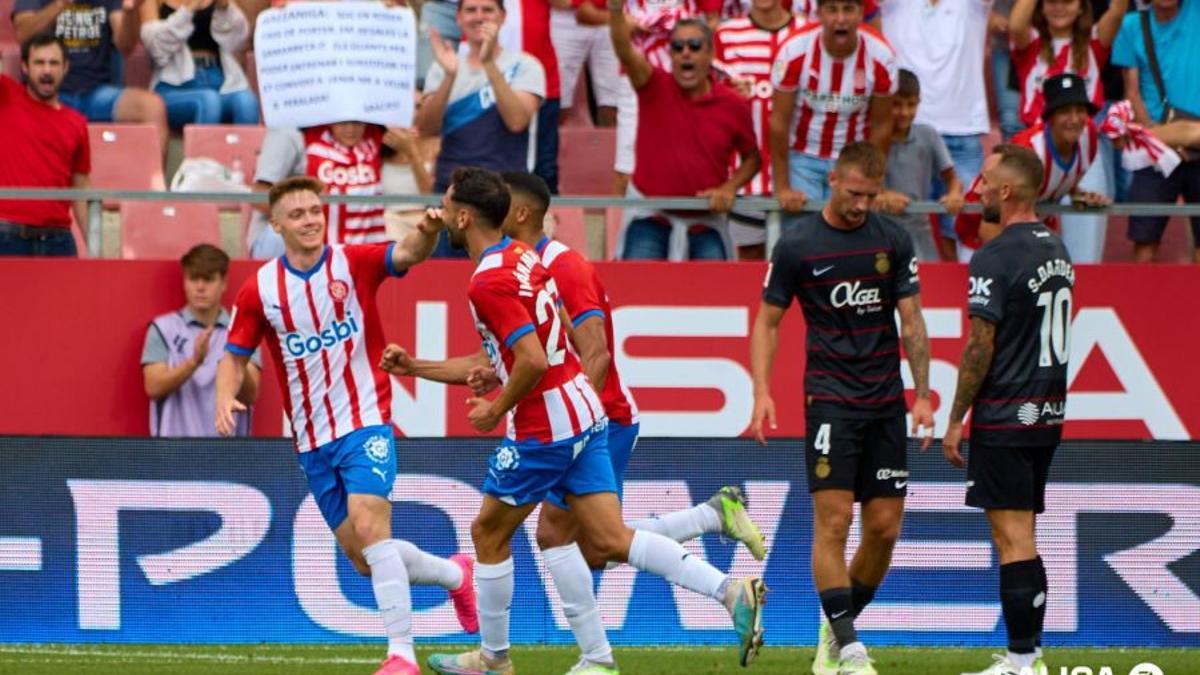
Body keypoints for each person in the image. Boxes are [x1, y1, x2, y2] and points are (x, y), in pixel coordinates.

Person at [382, 166, 766, 675]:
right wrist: (418, 367)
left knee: (488, 534)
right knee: (605, 538)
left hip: (546, 426)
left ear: (465, 215)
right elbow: (549, 338)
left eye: (448, 205)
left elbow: (534, 360)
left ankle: (494, 659)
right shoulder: (522, 258)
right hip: (583, 411)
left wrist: (496, 407)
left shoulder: (488, 281)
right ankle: (726, 590)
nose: (442, 213)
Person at [215, 176, 478, 675]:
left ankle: (401, 656)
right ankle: (455, 575)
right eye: (298, 214)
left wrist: (427, 229)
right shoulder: (261, 290)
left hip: (365, 420)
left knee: (369, 523)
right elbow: (235, 354)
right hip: (312, 440)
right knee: (364, 559)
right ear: (276, 225)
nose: (311, 219)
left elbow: (405, 253)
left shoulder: (351, 262)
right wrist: (226, 396)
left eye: (316, 210)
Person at [750, 142, 934, 675]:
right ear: (833, 181)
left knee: (883, 529)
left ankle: (834, 626)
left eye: (870, 196)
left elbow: (913, 320)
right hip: (830, 397)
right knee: (833, 522)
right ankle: (850, 648)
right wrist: (761, 389)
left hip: (885, 400)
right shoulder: (798, 244)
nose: (861, 205)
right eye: (854, 194)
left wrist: (921, 393)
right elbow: (767, 320)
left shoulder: (892, 240)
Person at [942, 144, 1074, 675]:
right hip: (1046, 413)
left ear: (1007, 192)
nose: (977, 189)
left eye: (986, 180)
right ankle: (1028, 653)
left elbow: (981, 345)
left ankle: (1024, 660)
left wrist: (957, 418)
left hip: (1006, 413)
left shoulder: (994, 255)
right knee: (1023, 534)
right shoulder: (1056, 249)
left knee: (1013, 538)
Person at [608, 11, 760, 260]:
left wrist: (729, 188)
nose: (685, 52)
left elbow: (752, 159)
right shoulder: (652, 85)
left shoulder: (733, 104)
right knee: (636, 294)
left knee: (719, 295)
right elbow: (624, 50)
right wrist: (614, 8)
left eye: (694, 46)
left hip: (706, 223)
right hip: (650, 218)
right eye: (677, 47)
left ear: (710, 53)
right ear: (671, 55)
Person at [416, 0, 546, 257]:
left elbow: (517, 120)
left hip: (505, 203)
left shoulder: (526, 65)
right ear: (459, 17)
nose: (479, 17)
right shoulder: (445, 65)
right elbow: (426, 128)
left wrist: (489, 63)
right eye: (471, 10)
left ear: (503, 16)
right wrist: (450, 77)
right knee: (446, 287)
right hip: (451, 199)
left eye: (487, 10)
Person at [954, 73, 1111, 257]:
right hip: (982, 236)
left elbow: (1064, 173)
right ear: (1049, 117)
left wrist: (1077, 193)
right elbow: (990, 223)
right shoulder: (1029, 153)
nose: (1075, 119)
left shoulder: (1089, 136)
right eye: (1065, 111)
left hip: (1031, 232)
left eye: (1080, 110)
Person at [881, 0, 990, 262]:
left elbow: (954, 184)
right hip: (895, 135)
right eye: (901, 104)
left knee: (968, 230)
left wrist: (954, 191)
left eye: (909, 104)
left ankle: (965, 298)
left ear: (915, 104)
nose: (906, 108)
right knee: (891, 223)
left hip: (963, 132)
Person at [769, 0, 897, 219]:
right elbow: (779, 121)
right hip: (801, 158)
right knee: (804, 236)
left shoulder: (881, 56)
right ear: (818, 13)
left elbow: (882, 126)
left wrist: (875, 181)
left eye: (848, 9)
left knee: (848, 234)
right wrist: (783, 187)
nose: (840, 19)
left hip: (853, 162)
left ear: (861, 13)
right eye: (832, 10)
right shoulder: (794, 50)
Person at [247, 122, 430, 258]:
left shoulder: (372, 134)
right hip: (286, 238)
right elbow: (259, 196)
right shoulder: (288, 133)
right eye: (343, 122)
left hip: (351, 242)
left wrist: (410, 146)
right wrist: (303, 215)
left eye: (356, 121)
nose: (351, 128)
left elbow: (430, 195)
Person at [12, 0, 170, 152]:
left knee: (152, 108)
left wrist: (130, 11)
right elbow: (23, 34)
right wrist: (61, 4)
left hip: (95, 93)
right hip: (49, 94)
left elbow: (126, 46)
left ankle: (154, 179)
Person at [714, 0, 805, 259]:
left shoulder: (808, 32)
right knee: (749, 261)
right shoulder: (726, 34)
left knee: (798, 259)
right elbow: (708, 95)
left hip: (798, 176)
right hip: (746, 177)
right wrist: (727, 96)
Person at [1112, 0, 1200, 263]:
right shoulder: (1132, 25)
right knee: (1144, 244)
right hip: (1154, 148)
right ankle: (1139, 304)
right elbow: (1132, 90)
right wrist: (1162, 142)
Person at [143, 244, 260, 437]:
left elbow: (251, 395)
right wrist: (194, 362)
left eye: (208, 279)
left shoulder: (243, 330)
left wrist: (236, 356)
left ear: (224, 283)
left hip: (229, 454)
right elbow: (153, 387)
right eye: (193, 278)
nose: (200, 287)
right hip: (172, 453)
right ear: (184, 281)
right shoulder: (162, 329)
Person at [0, 35, 90, 258]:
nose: (47, 70)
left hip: (58, 240)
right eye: (39, 63)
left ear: (66, 67)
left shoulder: (77, 123)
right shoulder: (6, 96)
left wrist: (96, 248)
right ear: (24, 67)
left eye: (54, 63)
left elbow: (81, 192)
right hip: (7, 236)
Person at [876, 69, 965, 262]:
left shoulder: (928, 135)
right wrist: (883, 194)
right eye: (896, 105)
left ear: (919, 102)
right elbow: (863, 181)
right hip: (881, 227)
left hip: (919, 230)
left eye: (911, 105)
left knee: (926, 287)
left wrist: (954, 194)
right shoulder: (873, 136)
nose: (904, 112)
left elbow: (952, 179)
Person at [139, 0, 260, 128]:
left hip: (218, 79)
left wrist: (224, 7)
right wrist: (189, 9)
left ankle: (243, 148)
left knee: (246, 102)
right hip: (172, 86)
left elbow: (237, 40)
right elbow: (155, 47)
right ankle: (203, 148)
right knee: (209, 101)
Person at [553, 0, 620, 127]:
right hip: (566, 18)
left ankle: (610, 146)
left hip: (610, 15)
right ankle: (550, 145)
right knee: (558, 101)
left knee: (614, 102)